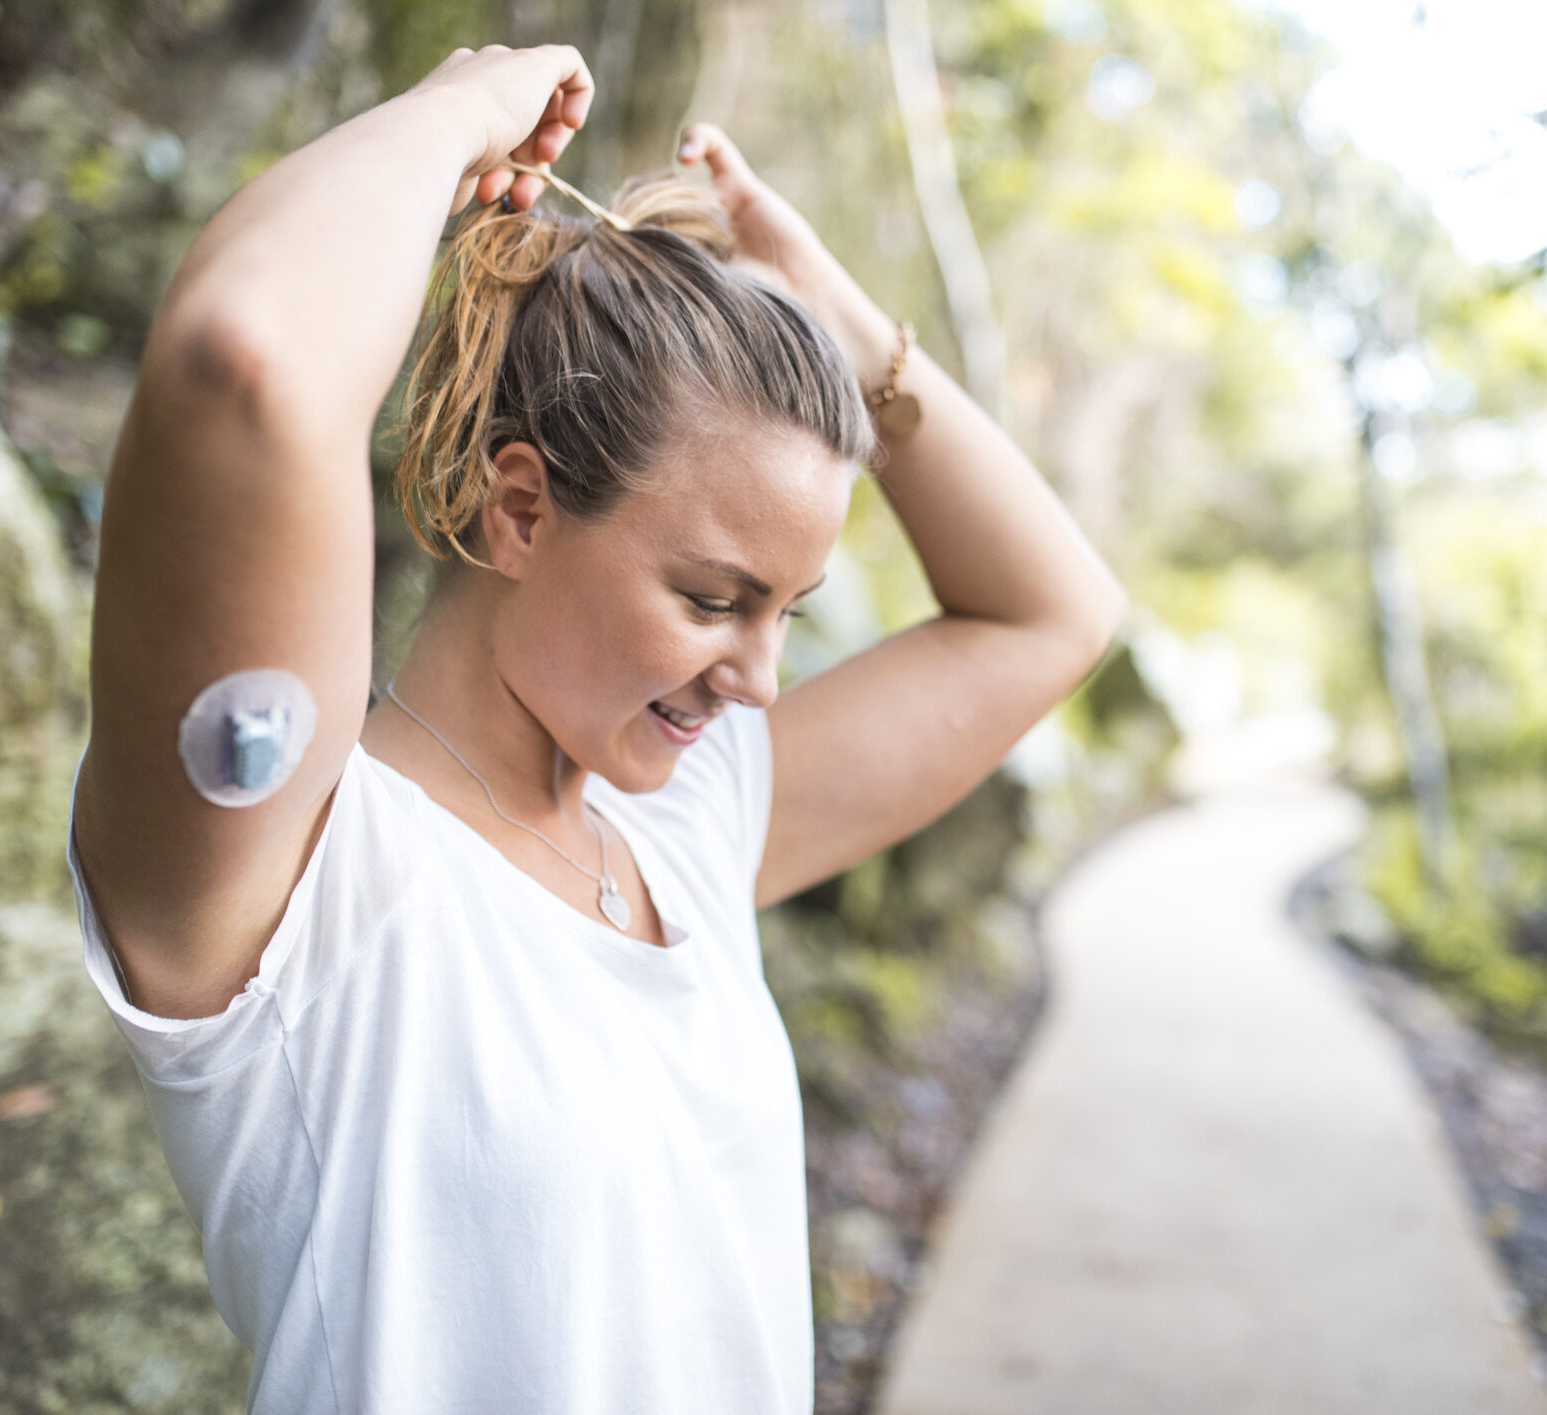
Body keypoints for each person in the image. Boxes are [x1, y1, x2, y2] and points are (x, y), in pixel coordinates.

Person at [63, 41, 1127, 1415]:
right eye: (711, 599)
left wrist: (848, 336)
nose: (754, 676)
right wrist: (457, 113)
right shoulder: (295, 876)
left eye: (788, 612)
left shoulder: (682, 826)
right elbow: (244, 361)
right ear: (518, 509)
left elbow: (1054, 616)